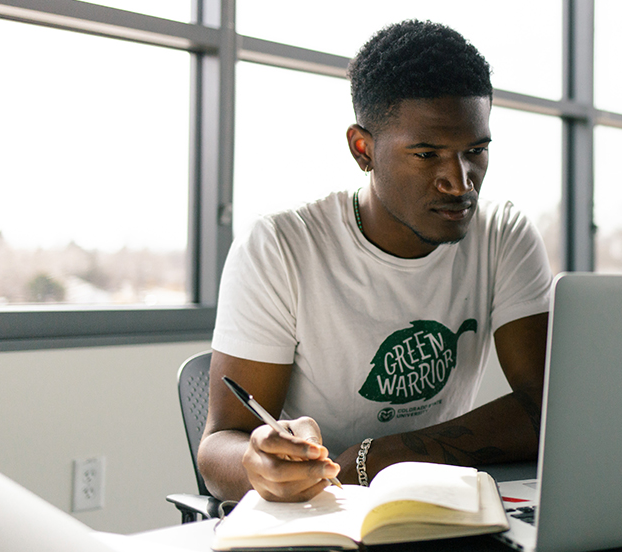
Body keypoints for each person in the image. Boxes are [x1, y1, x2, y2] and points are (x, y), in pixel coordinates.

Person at [198, 20, 553, 503]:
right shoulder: (280, 246)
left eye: (476, 151)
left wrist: (376, 457)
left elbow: (549, 409)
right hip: (327, 510)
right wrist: (257, 462)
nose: (460, 180)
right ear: (363, 149)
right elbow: (219, 447)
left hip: (448, 506)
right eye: (427, 154)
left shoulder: (503, 234)